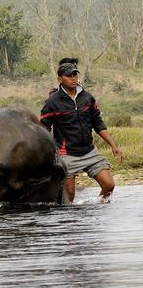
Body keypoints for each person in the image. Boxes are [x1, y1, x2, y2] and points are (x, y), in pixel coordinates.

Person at [40, 60, 124, 203]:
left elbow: (98, 124)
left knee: (109, 185)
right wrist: (48, 154)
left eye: (75, 75)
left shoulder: (87, 97)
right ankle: (72, 223)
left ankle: (97, 207)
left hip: (90, 152)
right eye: (69, 76)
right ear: (60, 79)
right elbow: (43, 128)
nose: (73, 78)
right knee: (69, 196)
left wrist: (113, 145)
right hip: (67, 155)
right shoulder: (52, 102)